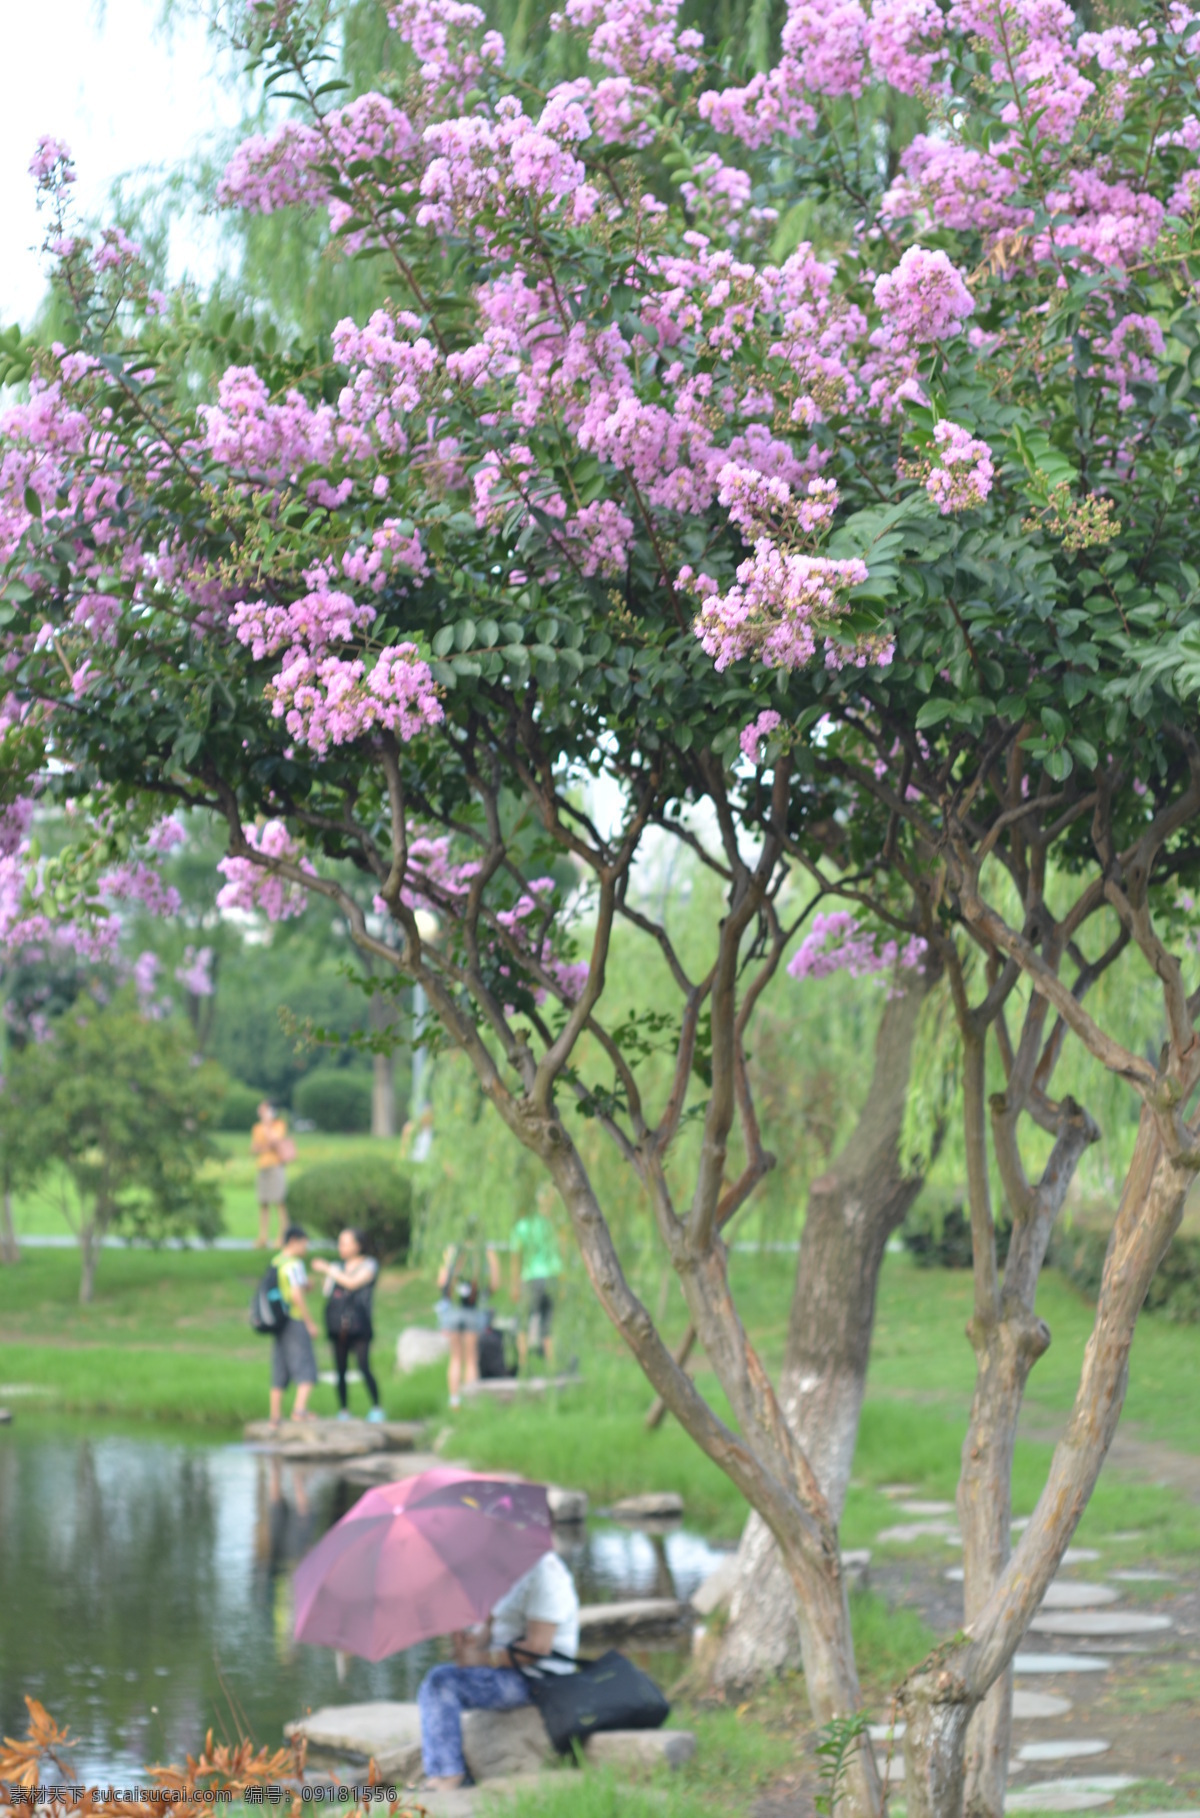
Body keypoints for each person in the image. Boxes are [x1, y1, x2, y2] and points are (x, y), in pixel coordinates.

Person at [417, 1548, 580, 1791]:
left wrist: (481, 1659)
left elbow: (538, 1649)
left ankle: (449, 1775)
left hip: (538, 1679)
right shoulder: (505, 1569)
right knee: (440, 1679)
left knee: (443, 1683)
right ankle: (442, 1772)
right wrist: (470, 1644)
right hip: (508, 1670)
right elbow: (490, 1630)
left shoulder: (545, 1573)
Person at [313, 1226, 384, 1422]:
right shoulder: (337, 1267)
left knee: (363, 1365)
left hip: (359, 1324)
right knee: (340, 1369)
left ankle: (377, 1407)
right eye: (340, 1243)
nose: (341, 1247)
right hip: (338, 1324)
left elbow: (352, 1283)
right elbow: (328, 1292)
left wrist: (329, 1270)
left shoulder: (369, 1265)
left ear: (358, 1245)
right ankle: (343, 1409)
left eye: (345, 1243)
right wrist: (331, 1273)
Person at [435, 1224, 500, 1409]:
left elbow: (441, 1281)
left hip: (453, 1310)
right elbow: (494, 1283)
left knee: (455, 1357)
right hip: (473, 1309)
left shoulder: (453, 1251)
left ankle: (454, 1401)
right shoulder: (485, 1252)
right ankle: (472, 1401)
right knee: (471, 1358)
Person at [269, 1224, 319, 1424]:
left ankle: (275, 1416)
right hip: (294, 1318)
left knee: (279, 1365)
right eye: (304, 1244)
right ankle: (299, 1411)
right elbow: (296, 1295)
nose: (305, 1248)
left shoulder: (276, 1261)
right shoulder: (294, 1264)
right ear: (294, 1242)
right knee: (306, 1366)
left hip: (278, 1321)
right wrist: (310, 1322)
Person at [510, 1187, 563, 1373]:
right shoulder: (554, 1225)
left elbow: (516, 1259)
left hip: (531, 1278)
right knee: (548, 1325)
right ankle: (552, 1367)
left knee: (522, 1324)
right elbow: (562, 1253)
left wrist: (515, 1285)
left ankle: (524, 1365)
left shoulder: (523, 1225)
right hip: (553, 1278)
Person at [251, 1101, 292, 1248]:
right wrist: (266, 1146)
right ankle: (263, 1237)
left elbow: (275, 1140)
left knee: (279, 1202)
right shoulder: (257, 1127)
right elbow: (254, 1148)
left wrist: (268, 1125)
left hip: (276, 1166)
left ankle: (283, 1237)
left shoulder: (278, 1125)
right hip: (262, 1166)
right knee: (263, 1203)